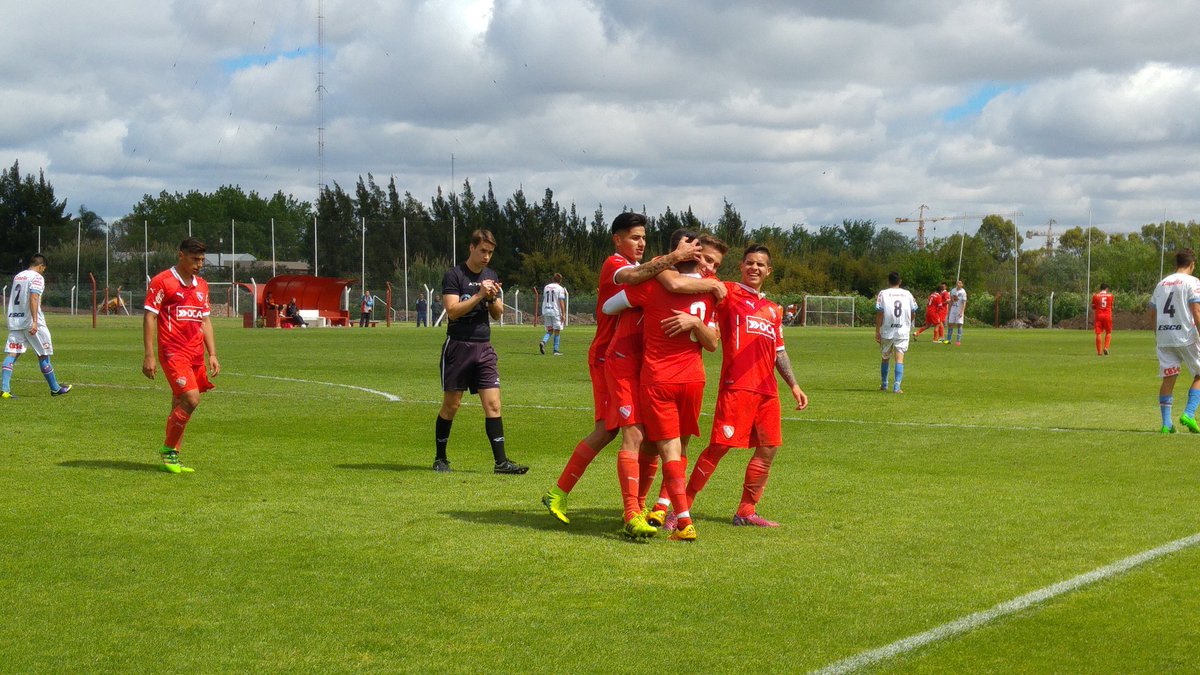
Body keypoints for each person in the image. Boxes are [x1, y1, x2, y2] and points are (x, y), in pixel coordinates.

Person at [540, 213, 720, 537]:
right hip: (614, 357)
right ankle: (628, 512)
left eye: (644, 237)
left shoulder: (662, 278)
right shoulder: (616, 264)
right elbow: (628, 287)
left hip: (643, 365)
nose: (641, 243)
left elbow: (674, 285)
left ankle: (623, 504)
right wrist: (680, 264)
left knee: (638, 436)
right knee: (629, 433)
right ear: (617, 239)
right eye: (634, 237)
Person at [603, 232, 725, 541]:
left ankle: (676, 519)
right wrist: (698, 320)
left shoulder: (653, 282)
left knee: (660, 445)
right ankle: (662, 508)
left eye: (714, 262)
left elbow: (609, 306)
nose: (710, 267)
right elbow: (712, 343)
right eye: (707, 259)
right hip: (693, 378)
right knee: (676, 446)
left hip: (659, 378)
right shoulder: (711, 292)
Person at [434, 229, 528, 475]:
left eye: (490, 252)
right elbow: (452, 312)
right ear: (471, 248)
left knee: (494, 405)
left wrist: (492, 298)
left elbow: (497, 314)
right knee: (451, 406)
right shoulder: (454, 275)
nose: (486, 257)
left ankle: (501, 463)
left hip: (484, 347)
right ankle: (440, 458)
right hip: (458, 346)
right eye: (483, 251)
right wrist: (478, 295)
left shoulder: (491, 275)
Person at [142, 238, 220, 473]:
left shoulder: (202, 285)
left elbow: (205, 320)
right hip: (173, 352)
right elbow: (149, 316)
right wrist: (149, 355)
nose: (199, 264)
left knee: (179, 403)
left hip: (195, 353)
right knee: (191, 399)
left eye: (202, 260)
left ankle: (173, 457)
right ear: (181, 255)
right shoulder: (162, 282)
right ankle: (168, 450)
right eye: (195, 259)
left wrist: (212, 353)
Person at [2, 254, 72, 399]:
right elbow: (34, 297)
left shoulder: (18, 276)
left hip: (16, 320)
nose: (42, 272)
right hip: (32, 322)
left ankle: (5, 390)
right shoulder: (37, 277)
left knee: (12, 353)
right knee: (43, 354)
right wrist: (34, 321)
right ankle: (55, 389)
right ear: (41, 266)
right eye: (43, 270)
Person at [1150, 249, 1200, 435]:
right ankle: (1188, 413)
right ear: (1192, 264)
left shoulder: (1161, 283)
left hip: (1164, 337)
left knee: (1169, 377)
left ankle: (1166, 424)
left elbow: (1153, 313)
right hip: (1186, 336)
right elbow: (1196, 311)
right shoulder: (1193, 282)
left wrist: (1158, 334)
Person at [875, 271, 919, 394]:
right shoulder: (908, 294)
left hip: (887, 330)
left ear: (888, 281)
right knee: (899, 358)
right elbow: (914, 311)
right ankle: (897, 387)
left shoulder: (883, 293)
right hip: (902, 330)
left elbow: (880, 313)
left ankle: (884, 384)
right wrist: (908, 322)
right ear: (900, 281)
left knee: (885, 358)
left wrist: (877, 330)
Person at [539, 273, 568, 355]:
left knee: (550, 330)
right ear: (560, 281)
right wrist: (563, 314)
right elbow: (561, 301)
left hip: (546, 310)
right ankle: (556, 350)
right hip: (555, 311)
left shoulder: (546, 287)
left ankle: (543, 342)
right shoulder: (560, 288)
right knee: (557, 330)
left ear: (553, 279)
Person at [1093, 283, 1114, 356]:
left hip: (1099, 316)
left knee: (1098, 333)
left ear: (1100, 288)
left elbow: (1093, 307)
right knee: (1108, 332)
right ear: (1107, 289)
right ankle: (1106, 347)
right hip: (1107, 315)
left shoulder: (1095, 296)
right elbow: (1111, 306)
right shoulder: (1110, 296)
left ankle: (1099, 352)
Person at [945, 280, 967, 345]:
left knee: (959, 324)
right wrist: (949, 310)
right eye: (957, 283)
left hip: (959, 309)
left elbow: (964, 302)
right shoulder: (953, 290)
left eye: (960, 283)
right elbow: (951, 301)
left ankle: (958, 341)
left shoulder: (963, 292)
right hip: (953, 309)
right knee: (950, 324)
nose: (958, 284)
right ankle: (948, 340)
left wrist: (962, 311)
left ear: (962, 284)